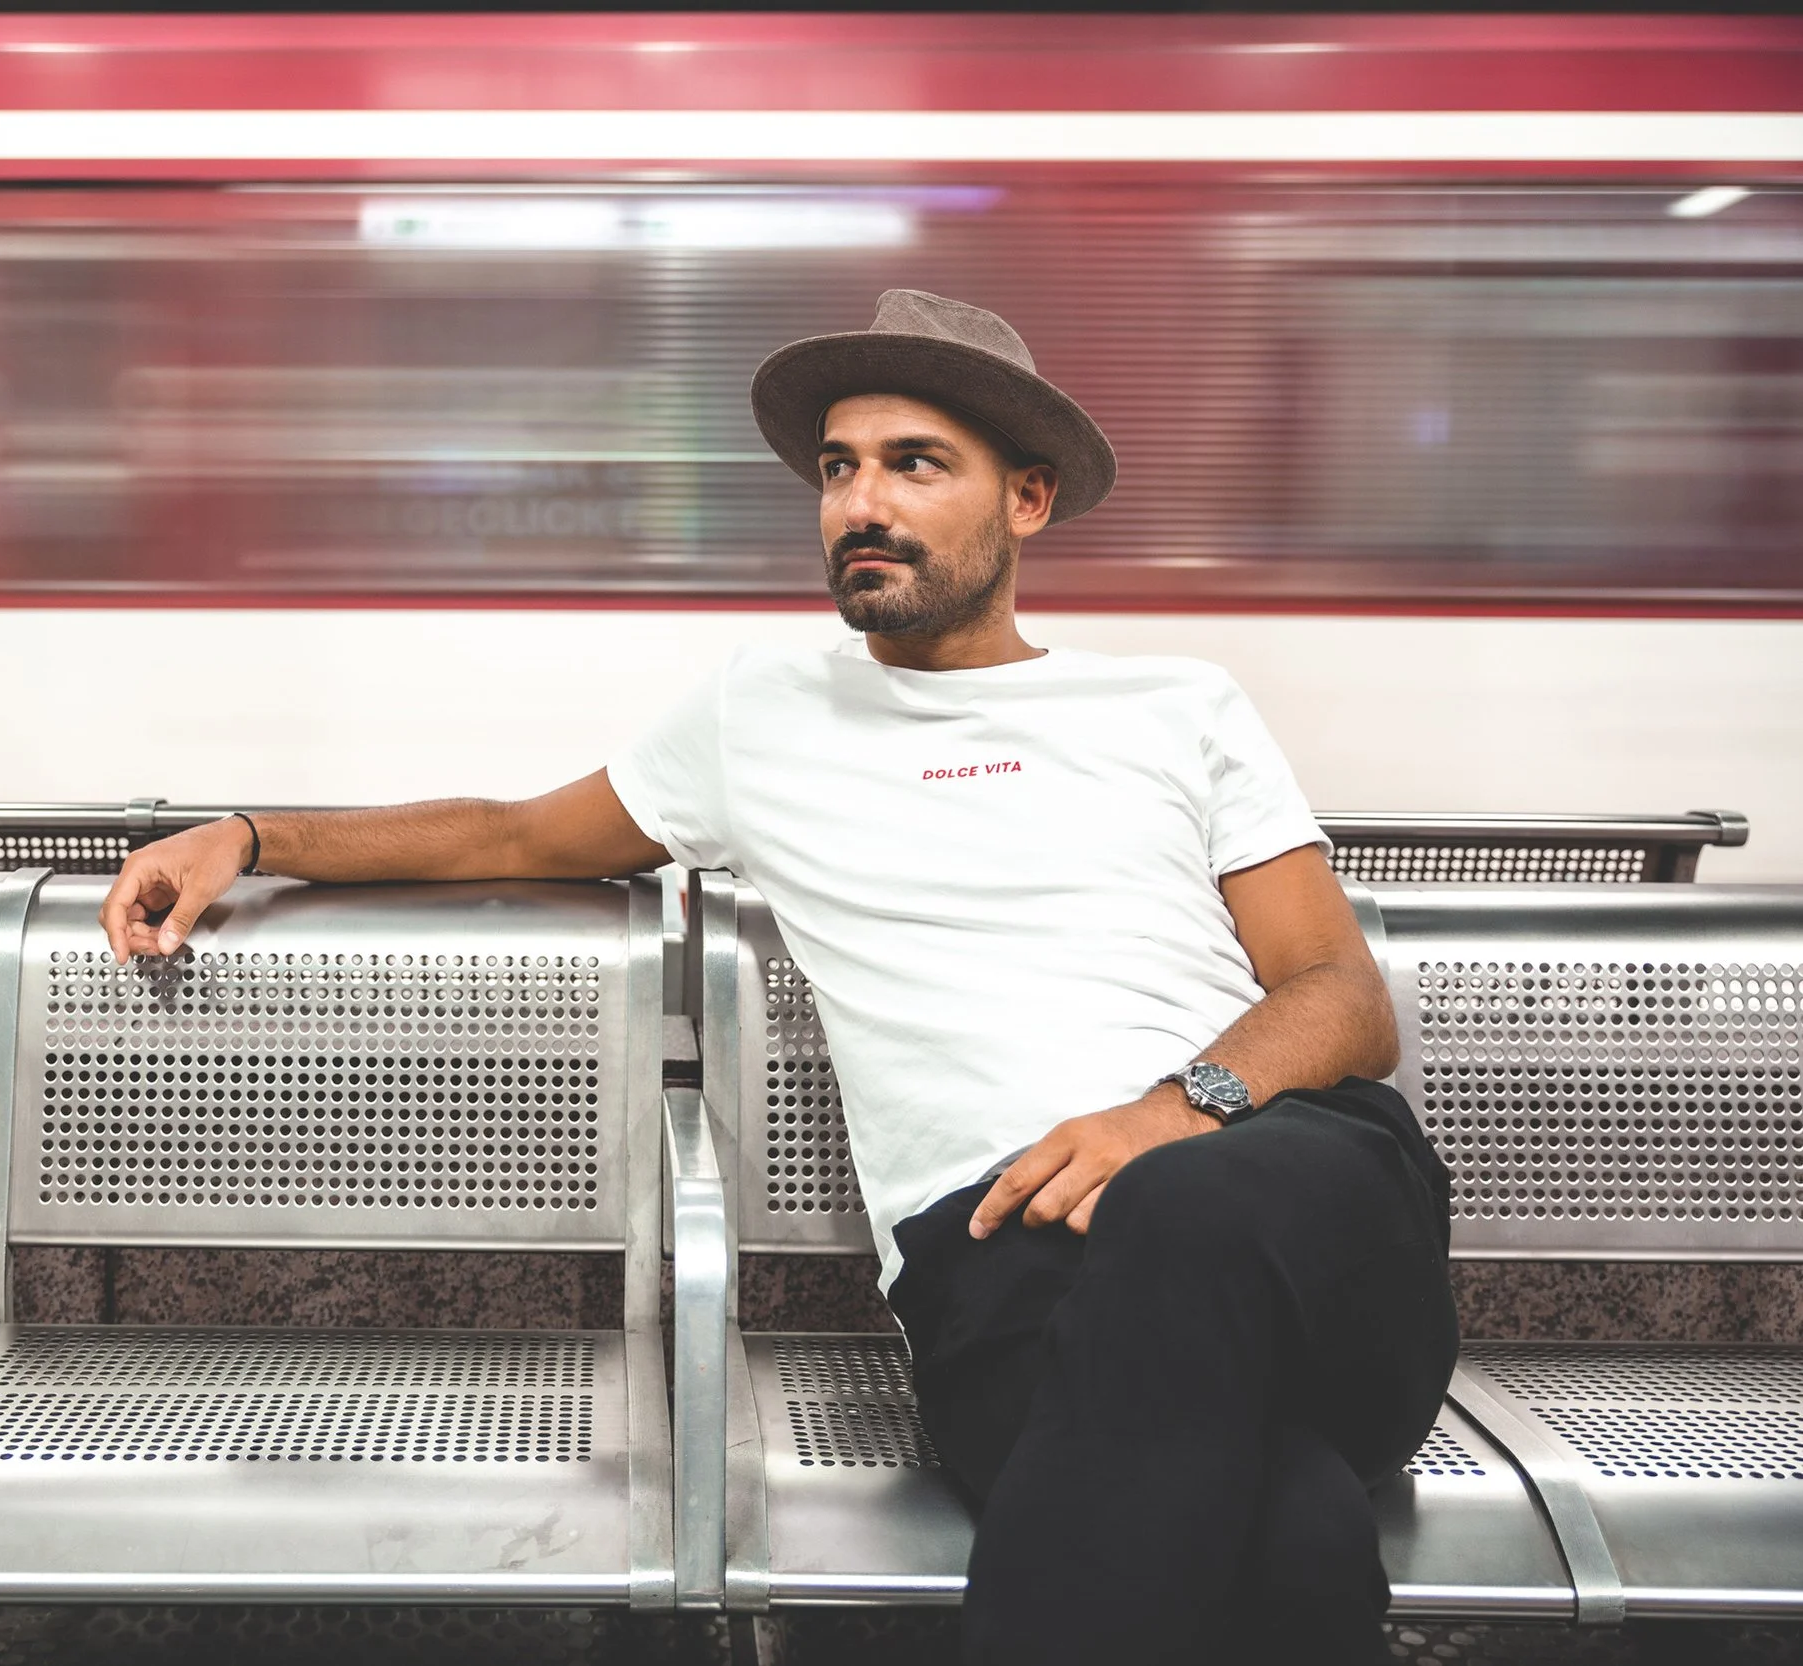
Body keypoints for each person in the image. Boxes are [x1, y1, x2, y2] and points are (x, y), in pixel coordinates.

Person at [99, 289, 1457, 1666]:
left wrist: (1169, 1116)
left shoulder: (1178, 708)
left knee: (1184, 1221)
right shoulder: (759, 715)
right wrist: (252, 832)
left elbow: (1341, 1000)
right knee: (1294, 1535)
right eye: (838, 468)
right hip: (1005, 1270)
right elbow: (511, 831)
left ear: (1028, 500)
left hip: (1283, 1187)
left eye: (914, 463)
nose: (861, 502)